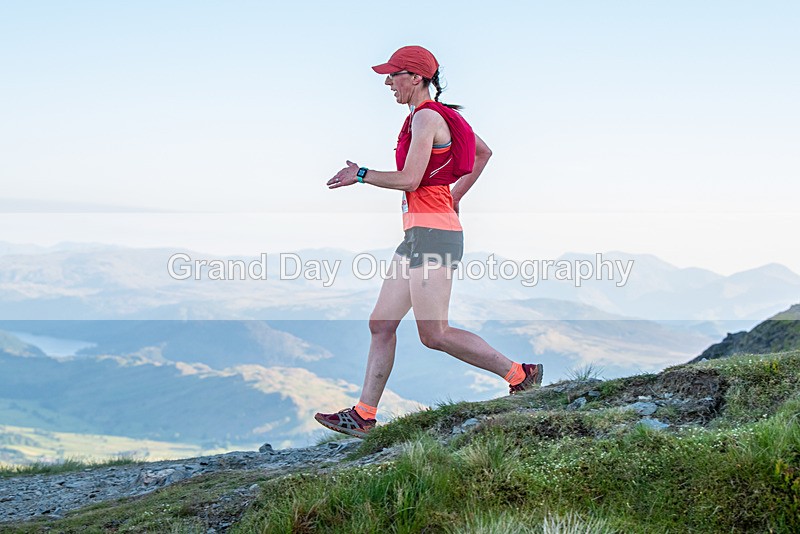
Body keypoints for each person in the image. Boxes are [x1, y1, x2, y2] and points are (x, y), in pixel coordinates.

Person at [315, 45, 543, 438]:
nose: (388, 83)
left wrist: (361, 174)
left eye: (394, 75)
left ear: (416, 77)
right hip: (419, 233)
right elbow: (483, 153)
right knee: (381, 323)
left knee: (434, 333)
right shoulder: (432, 116)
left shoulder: (426, 117)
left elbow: (410, 179)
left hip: (434, 234)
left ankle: (520, 375)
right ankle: (364, 415)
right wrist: (455, 196)